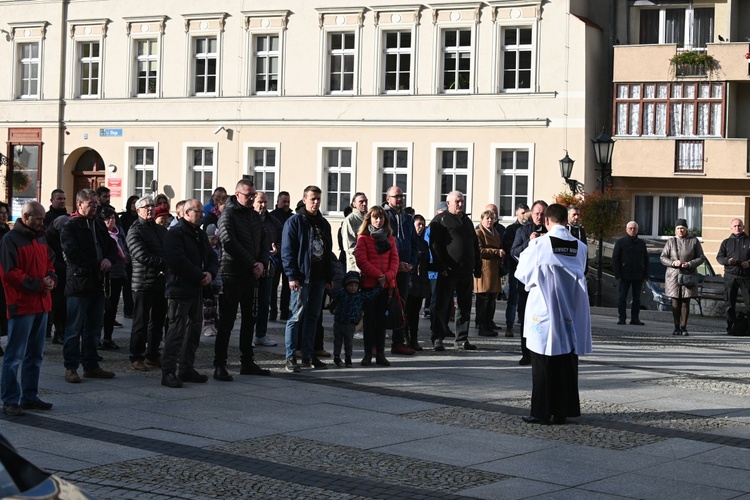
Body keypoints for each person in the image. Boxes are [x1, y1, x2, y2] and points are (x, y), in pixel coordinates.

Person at [516, 203, 592, 425]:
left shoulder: (539, 245)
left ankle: (540, 411)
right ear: (566, 221)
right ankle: (563, 410)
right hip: (571, 311)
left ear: (547, 221)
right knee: (566, 360)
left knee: (542, 362)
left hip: (545, 311)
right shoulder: (580, 247)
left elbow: (522, 274)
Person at [0, 201, 56, 416]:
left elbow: (50, 261)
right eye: (38, 219)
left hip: (41, 303)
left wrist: (51, 277)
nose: (42, 222)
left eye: (43, 219)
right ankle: (10, 400)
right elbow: (9, 272)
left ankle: (30, 396)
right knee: (15, 356)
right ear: (25, 217)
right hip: (22, 304)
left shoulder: (40, 236)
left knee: (35, 353)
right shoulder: (10, 239)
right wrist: (38, 284)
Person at [213, 179, 270, 381]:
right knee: (227, 321)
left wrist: (262, 262)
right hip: (233, 273)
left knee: (250, 319)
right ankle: (220, 364)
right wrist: (252, 263)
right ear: (237, 195)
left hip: (251, 275)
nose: (252, 198)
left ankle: (247, 361)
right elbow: (228, 242)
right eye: (248, 195)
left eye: (253, 194)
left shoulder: (254, 216)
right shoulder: (228, 214)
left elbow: (264, 241)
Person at [61, 189, 118, 383]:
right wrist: (97, 264)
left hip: (98, 284)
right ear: (79, 204)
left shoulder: (98, 225)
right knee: (74, 329)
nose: (94, 207)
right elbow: (73, 254)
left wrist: (109, 260)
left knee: (94, 329)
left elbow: (111, 246)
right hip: (79, 283)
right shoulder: (71, 226)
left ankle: (91, 365)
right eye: (90, 203)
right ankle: (71, 367)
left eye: (96, 203)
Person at [161, 199, 219, 388]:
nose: (202, 215)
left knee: (194, 330)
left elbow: (211, 256)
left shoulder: (200, 234)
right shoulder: (175, 233)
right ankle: (168, 371)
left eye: (203, 212)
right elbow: (177, 260)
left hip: (197, 289)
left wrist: (209, 273)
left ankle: (186, 368)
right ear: (186, 213)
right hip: (179, 289)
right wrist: (199, 275)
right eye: (198, 211)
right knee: (176, 330)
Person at [282, 186, 333, 372]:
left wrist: (329, 277)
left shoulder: (324, 223)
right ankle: (290, 357)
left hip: (319, 278)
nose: (316, 202)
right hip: (301, 278)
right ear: (304, 200)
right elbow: (287, 251)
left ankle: (308, 355)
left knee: (313, 317)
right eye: (312, 198)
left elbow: (328, 253)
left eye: (318, 198)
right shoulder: (295, 222)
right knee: (295, 317)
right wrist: (291, 276)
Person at [428, 191, 482, 351]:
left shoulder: (467, 221)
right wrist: (442, 266)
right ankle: (438, 337)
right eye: (457, 201)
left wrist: (477, 266)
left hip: (465, 270)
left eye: (462, 201)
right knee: (441, 305)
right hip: (448, 271)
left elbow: (474, 245)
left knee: (465, 306)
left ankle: (462, 339)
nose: (460, 204)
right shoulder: (440, 220)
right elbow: (435, 246)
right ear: (448, 203)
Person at [126, 196, 168, 372]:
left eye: (152, 205)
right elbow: (141, 256)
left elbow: (169, 248)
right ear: (138, 210)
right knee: (140, 322)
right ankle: (136, 356)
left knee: (157, 321)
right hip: (143, 282)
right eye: (146, 206)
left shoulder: (160, 229)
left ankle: (152, 355)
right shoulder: (135, 230)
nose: (150, 209)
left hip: (160, 281)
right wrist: (165, 262)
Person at [382, 186, 418, 356]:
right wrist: (395, 264)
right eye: (396, 196)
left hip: (405, 269)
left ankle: (398, 341)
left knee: (400, 305)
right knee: (383, 304)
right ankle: (377, 341)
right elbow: (381, 243)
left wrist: (411, 263)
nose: (399, 199)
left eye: (401, 196)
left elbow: (414, 244)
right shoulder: (382, 217)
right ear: (388, 198)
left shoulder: (408, 219)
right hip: (388, 268)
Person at [512, 200, 548, 365]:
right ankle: (526, 353)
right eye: (536, 213)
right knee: (526, 318)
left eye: (542, 214)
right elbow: (514, 252)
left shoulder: (551, 231)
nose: (539, 217)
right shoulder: (522, 230)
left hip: (546, 285)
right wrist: (529, 242)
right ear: (531, 214)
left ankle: (543, 352)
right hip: (527, 284)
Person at [659, 218, 706, 336]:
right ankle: (676, 327)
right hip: (673, 276)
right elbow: (663, 257)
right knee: (675, 302)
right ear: (675, 230)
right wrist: (673, 263)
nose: (680, 231)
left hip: (688, 275)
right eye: (678, 229)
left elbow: (701, 257)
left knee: (685, 301)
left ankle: (684, 327)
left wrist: (689, 264)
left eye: (682, 229)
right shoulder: (670, 242)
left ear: (686, 229)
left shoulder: (694, 241)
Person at [330, 271, 382, 367]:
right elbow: (333, 293)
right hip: (339, 322)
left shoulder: (360, 296)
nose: (353, 288)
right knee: (337, 341)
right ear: (346, 285)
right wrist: (328, 289)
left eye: (355, 285)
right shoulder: (342, 293)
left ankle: (348, 358)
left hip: (350, 324)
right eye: (350, 285)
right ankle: (336, 356)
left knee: (348, 343)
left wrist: (379, 287)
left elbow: (371, 295)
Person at [253, 191, 282, 347]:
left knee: (265, 302)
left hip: (269, 266)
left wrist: (276, 249)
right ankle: (248, 334)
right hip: (250, 267)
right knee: (250, 303)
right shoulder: (248, 219)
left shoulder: (273, 222)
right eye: (260, 202)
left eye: (265, 202)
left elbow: (283, 241)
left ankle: (261, 334)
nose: (263, 205)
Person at [100, 207, 129, 349]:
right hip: (106, 275)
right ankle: (99, 338)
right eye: (107, 218)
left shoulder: (119, 233)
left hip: (119, 273)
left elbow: (125, 250)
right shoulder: (101, 234)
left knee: (113, 308)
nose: (111, 221)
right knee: (103, 308)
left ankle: (108, 337)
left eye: (113, 218)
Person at [716, 219, 750, 334]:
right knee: (729, 303)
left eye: (739, 226)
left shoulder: (749, 240)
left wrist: (749, 263)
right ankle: (730, 327)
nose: (737, 228)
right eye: (735, 226)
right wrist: (728, 261)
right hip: (730, 276)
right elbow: (719, 258)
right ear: (731, 228)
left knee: (749, 303)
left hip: (746, 277)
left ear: (743, 227)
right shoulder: (726, 242)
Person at [474, 209, 505, 337]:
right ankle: (482, 325)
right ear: (482, 220)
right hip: (484, 270)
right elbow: (479, 251)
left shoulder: (496, 233)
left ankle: (489, 322)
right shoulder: (479, 233)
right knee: (483, 300)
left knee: (492, 299)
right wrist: (496, 252)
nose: (490, 220)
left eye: (492, 218)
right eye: (487, 218)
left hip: (494, 269)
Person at [612, 221, 648, 326]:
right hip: (624, 275)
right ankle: (622, 318)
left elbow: (646, 260)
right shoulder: (621, 242)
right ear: (627, 229)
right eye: (630, 228)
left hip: (638, 275)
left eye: (634, 229)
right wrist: (617, 274)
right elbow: (615, 259)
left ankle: (635, 319)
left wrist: (645, 275)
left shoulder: (641, 243)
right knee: (622, 298)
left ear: (637, 230)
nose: (633, 230)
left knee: (637, 299)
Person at [502, 203, 528, 337]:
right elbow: (509, 248)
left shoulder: (531, 228)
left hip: (529, 269)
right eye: (522, 213)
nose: (525, 215)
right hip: (515, 268)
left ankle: (523, 321)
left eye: (526, 212)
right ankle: (509, 325)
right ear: (516, 214)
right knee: (513, 296)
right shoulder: (511, 229)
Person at [405, 214, 430, 351]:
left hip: (421, 280)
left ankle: (414, 339)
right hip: (410, 280)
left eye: (423, 224)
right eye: (418, 224)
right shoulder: (409, 241)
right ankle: (406, 339)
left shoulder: (424, 243)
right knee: (407, 311)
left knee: (415, 312)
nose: (421, 227)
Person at [45, 215, 68, 345]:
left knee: (62, 306)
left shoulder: (63, 236)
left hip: (64, 275)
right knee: (58, 306)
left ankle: (61, 332)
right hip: (55, 275)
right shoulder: (49, 238)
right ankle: (58, 332)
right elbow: (51, 259)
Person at [270, 191, 292, 321]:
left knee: (287, 286)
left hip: (288, 256)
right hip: (276, 255)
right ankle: (272, 312)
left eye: (288, 201)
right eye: (284, 201)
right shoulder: (272, 217)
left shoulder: (292, 217)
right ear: (277, 202)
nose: (286, 204)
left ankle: (284, 311)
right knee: (273, 286)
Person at [201, 224, 222, 337]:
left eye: (215, 239)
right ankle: (207, 325)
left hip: (217, 280)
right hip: (209, 280)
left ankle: (213, 324)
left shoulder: (219, 249)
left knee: (214, 304)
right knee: (208, 304)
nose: (213, 241)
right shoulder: (205, 250)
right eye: (211, 239)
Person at [341, 193, 368, 272]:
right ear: (354, 204)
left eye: (366, 201)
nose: (364, 204)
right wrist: (361, 263)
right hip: (356, 267)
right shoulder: (349, 220)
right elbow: (349, 247)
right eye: (361, 201)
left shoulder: (370, 219)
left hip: (371, 266)